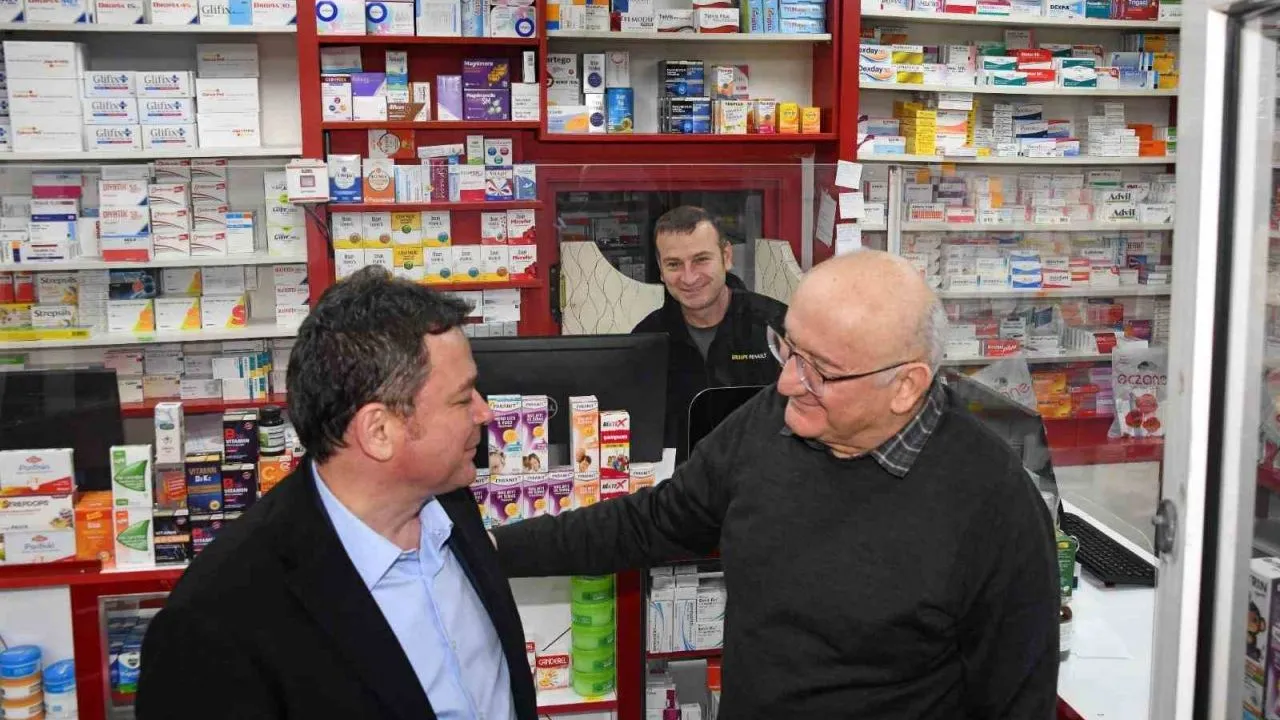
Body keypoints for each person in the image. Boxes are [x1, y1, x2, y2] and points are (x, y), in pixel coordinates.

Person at [494, 250, 1060, 719]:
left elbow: (1016, 702)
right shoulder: (771, 421)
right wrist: (492, 548)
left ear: (906, 386)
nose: (787, 382)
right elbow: (654, 522)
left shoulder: (994, 503)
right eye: (787, 348)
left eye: (819, 370)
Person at [138, 267, 537, 720]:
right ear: (378, 431)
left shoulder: (450, 500)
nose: (485, 412)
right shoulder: (215, 623)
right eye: (463, 399)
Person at [632, 205, 787, 460]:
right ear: (660, 269)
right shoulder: (645, 340)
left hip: (763, 473)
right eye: (674, 264)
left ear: (726, 256)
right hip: (679, 479)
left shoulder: (777, 325)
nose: (689, 277)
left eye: (701, 260)